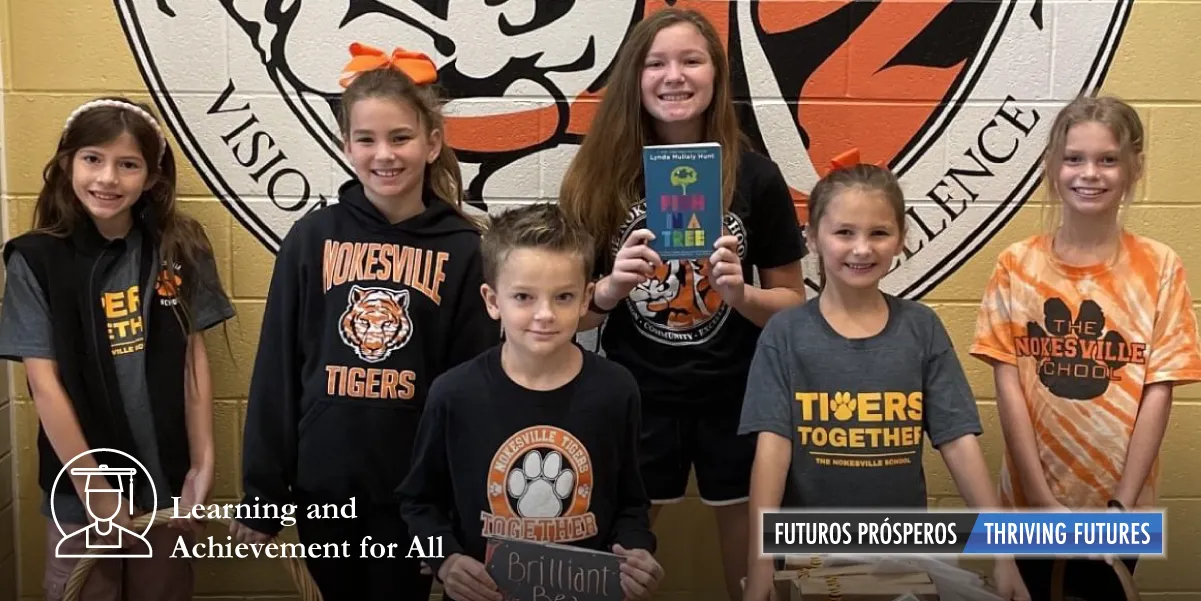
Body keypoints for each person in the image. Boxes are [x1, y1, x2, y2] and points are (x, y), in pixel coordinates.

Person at [230, 42, 500, 600]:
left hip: (416, 498)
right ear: (344, 143)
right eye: (367, 139)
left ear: (432, 142)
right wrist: (262, 492)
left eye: (400, 137)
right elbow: (277, 369)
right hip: (324, 487)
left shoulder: (464, 249)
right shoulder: (312, 238)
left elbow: (472, 387)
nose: (385, 154)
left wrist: (458, 506)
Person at [557, 9, 806, 599]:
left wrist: (740, 294)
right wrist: (610, 288)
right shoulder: (597, 179)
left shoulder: (756, 177)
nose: (675, 76)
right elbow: (568, 313)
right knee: (617, 564)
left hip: (739, 395)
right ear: (634, 78)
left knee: (755, 572)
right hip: (635, 395)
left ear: (717, 75)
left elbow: (794, 304)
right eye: (656, 62)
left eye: (692, 60)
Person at [739, 154, 1030, 601]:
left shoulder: (921, 328)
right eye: (844, 233)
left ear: (900, 239)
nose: (861, 249)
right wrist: (759, 563)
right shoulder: (787, 333)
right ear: (813, 238)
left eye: (878, 233)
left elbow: (959, 442)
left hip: (902, 553)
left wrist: (1003, 555)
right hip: (805, 555)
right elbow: (772, 455)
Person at [0, 96, 235, 601]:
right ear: (68, 164)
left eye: (127, 164)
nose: (107, 178)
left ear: (151, 177)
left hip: (164, 490)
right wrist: (92, 487)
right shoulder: (35, 260)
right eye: (93, 159)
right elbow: (44, 384)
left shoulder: (181, 248)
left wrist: (203, 465)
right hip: (80, 496)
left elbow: (193, 363)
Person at [970, 94, 1201, 601]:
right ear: (1053, 167)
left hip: (1121, 502)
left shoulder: (1161, 267)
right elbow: (1007, 387)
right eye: (1074, 158)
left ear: (1133, 167)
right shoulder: (1016, 265)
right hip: (1029, 502)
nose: (1089, 173)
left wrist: (1119, 508)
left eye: (1107, 159)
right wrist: (1043, 502)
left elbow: (1159, 391)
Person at [397, 202, 663, 601]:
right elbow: (418, 504)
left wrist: (637, 549)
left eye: (563, 297)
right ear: (492, 300)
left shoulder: (616, 390)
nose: (544, 314)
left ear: (587, 297)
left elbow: (631, 504)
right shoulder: (454, 394)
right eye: (523, 296)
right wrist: (446, 560)